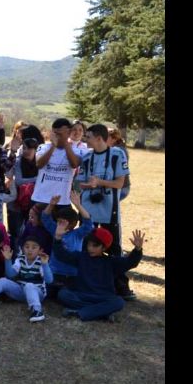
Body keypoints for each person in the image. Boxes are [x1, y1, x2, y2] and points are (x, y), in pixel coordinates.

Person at [77, 124, 134, 300]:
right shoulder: (86, 157)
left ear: (99, 138)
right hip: (88, 208)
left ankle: (121, 286)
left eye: (88, 136)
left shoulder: (117, 154)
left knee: (114, 248)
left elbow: (119, 183)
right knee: (87, 245)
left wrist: (100, 182)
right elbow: (80, 183)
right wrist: (88, 185)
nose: (85, 140)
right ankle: (86, 283)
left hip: (110, 209)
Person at [57, 227, 145, 322]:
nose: (90, 248)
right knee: (63, 294)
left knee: (119, 302)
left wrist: (137, 249)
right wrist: (57, 238)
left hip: (103, 297)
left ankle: (79, 312)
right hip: (82, 295)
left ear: (104, 247)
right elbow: (62, 255)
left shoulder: (111, 262)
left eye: (95, 246)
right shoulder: (81, 257)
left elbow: (130, 262)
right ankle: (102, 313)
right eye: (89, 245)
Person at [0, 237, 53, 323]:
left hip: (37, 294)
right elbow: (10, 275)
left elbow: (49, 281)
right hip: (21, 292)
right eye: (27, 247)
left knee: (29, 286)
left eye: (34, 247)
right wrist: (8, 260)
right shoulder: (20, 259)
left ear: (40, 250)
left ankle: (37, 311)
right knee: (3, 280)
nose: (30, 250)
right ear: (22, 248)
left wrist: (45, 264)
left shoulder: (41, 261)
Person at [31, 118, 86, 209]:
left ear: (68, 133)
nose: (57, 137)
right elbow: (39, 164)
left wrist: (66, 145)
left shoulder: (76, 151)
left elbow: (74, 164)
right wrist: (53, 146)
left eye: (60, 134)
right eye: (55, 133)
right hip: (40, 199)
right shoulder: (43, 147)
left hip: (62, 201)